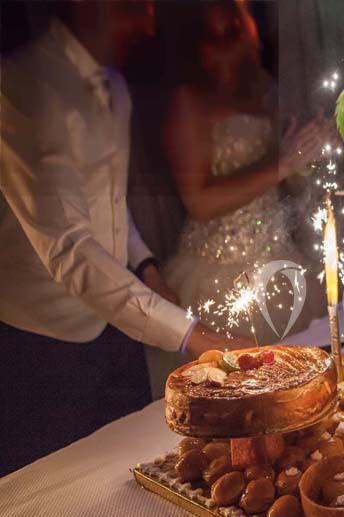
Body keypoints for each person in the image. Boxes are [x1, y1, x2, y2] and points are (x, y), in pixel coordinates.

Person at [0, 1, 246, 476]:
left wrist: (147, 267)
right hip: (42, 342)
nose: (150, 24)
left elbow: (107, 203)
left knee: (135, 472)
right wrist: (194, 335)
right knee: (56, 490)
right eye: (137, 7)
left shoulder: (114, 85)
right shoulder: (19, 85)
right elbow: (69, 247)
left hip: (114, 327)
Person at [160, 0, 328, 344]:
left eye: (234, 31)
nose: (227, 47)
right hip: (217, 273)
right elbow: (199, 202)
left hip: (278, 260)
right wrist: (283, 164)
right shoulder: (188, 102)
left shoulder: (265, 91)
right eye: (215, 35)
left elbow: (287, 184)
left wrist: (306, 155)